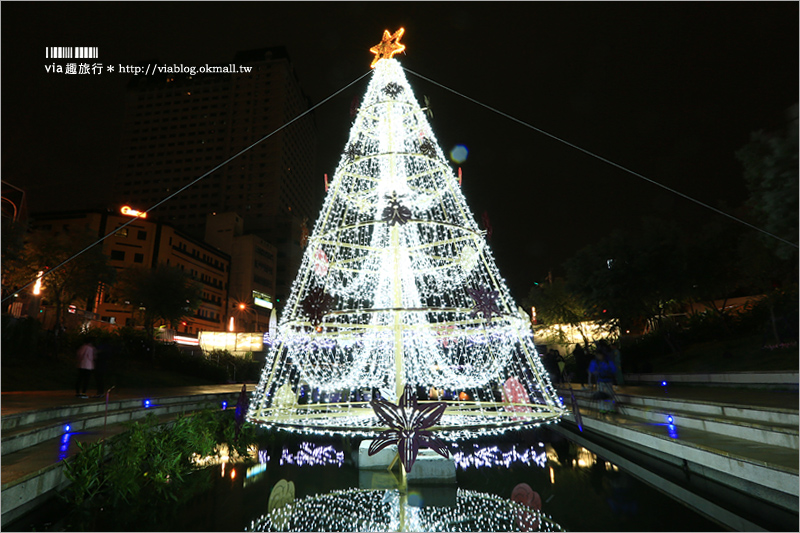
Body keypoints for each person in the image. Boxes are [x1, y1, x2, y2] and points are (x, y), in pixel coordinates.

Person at [588, 345, 617, 414]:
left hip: (608, 380)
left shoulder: (608, 361)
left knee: (610, 395)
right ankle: (602, 408)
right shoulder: (595, 362)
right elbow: (591, 370)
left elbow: (613, 369)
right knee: (600, 396)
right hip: (600, 381)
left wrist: (607, 372)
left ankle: (611, 408)